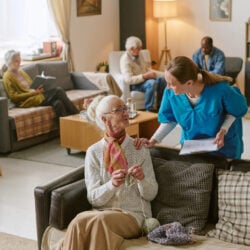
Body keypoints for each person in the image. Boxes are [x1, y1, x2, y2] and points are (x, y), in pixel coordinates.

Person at [57, 95, 158, 250]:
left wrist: (142, 179)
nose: (125, 113)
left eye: (125, 108)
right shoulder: (93, 152)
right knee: (79, 220)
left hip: (133, 216)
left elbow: (151, 194)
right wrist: (112, 185)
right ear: (105, 120)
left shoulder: (139, 148)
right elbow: (93, 199)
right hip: (102, 212)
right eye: (118, 110)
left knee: (99, 220)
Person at [136, 56, 248, 160]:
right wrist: (154, 140)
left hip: (222, 148)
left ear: (189, 83)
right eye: (167, 83)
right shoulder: (170, 93)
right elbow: (169, 120)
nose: (168, 87)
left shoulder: (220, 90)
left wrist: (223, 130)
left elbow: (235, 111)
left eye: (172, 84)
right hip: (192, 147)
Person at [2, 50, 79, 119]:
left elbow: (31, 85)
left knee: (58, 103)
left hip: (36, 95)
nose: (19, 63)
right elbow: (13, 97)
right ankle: (77, 115)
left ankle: (66, 128)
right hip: (27, 101)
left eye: (19, 60)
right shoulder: (7, 76)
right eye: (16, 61)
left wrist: (38, 86)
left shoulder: (21, 71)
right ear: (9, 62)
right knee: (58, 91)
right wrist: (32, 93)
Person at [120, 36, 166, 111]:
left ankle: (160, 106)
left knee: (162, 79)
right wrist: (144, 76)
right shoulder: (125, 60)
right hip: (134, 84)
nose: (140, 50)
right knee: (151, 83)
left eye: (140, 48)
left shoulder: (139, 55)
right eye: (138, 48)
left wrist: (163, 74)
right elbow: (128, 80)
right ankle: (149, 109)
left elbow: (146, 69)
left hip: (144, 80)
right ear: (131, 49)